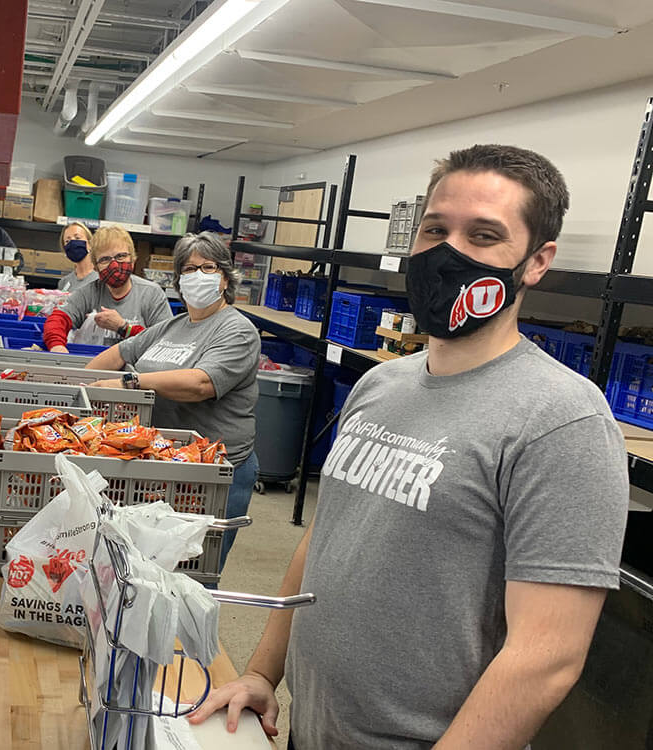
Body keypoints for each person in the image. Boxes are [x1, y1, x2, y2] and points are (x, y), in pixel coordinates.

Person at [189, 145, 629, 750]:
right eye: (435, 230)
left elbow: (546, 657)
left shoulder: (562, 420)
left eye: (483, 235)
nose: (449, 253)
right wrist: (265, 672)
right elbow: (327, 536)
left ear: (536, 261)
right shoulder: (381, 383)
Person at [85, 233, 260, 571]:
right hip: (163, 465)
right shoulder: (172, 326)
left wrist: (132, 381)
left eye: (208, 267)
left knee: (192, 573)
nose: (198, 276)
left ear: (225, 277)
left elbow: (200, 383)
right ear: (179, 280)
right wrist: (81, 386)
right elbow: (121, 352)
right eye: (190, 269)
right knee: (150, 570)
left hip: (214, 473)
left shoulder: (237, 330)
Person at [43, 226, 172, 352]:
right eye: (105, 259)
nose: (114, 265)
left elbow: (166, 342)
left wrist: (124, 328)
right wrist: (57, 346)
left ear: (133, 260)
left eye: (121, 256)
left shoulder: (151, 294)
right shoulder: (89, 293)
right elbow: (57, 320)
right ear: (96, 267)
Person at [57, 221, 97, 294]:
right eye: (67, 241)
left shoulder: (101, 279)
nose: (72, 242)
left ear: (90, 243)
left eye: (77, 237)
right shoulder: (64, 283)